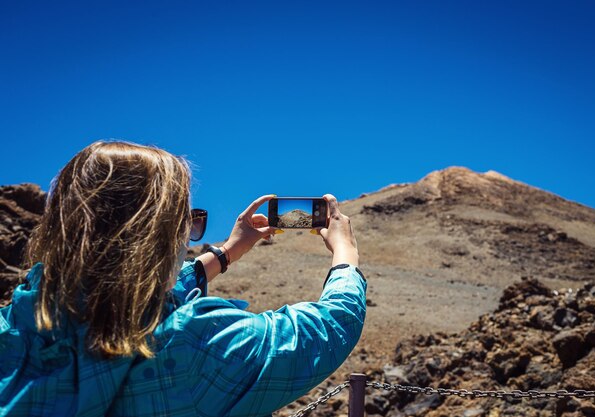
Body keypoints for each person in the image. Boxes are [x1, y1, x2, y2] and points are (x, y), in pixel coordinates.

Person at [0, 141, 366, 417]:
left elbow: (129, 301)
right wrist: (345, 252)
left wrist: (225, 254)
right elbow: (328, 329)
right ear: (157, 232)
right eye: (186, 220)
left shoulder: (16, 321)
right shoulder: (194, 343)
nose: (189, 233)